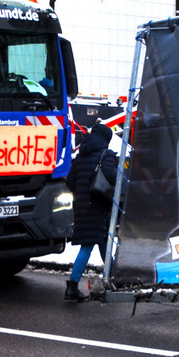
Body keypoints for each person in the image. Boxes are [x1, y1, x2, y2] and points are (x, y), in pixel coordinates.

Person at [65, 120, 119, 302]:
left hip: (82, 205)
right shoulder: (106, 154)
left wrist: (82, 194)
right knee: (88, 245)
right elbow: (112, 177)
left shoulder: (81, 155)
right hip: (98, 205)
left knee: (103, 241)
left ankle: (113, 277)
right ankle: (72, 285)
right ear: (106, 139)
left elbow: (70, 182)